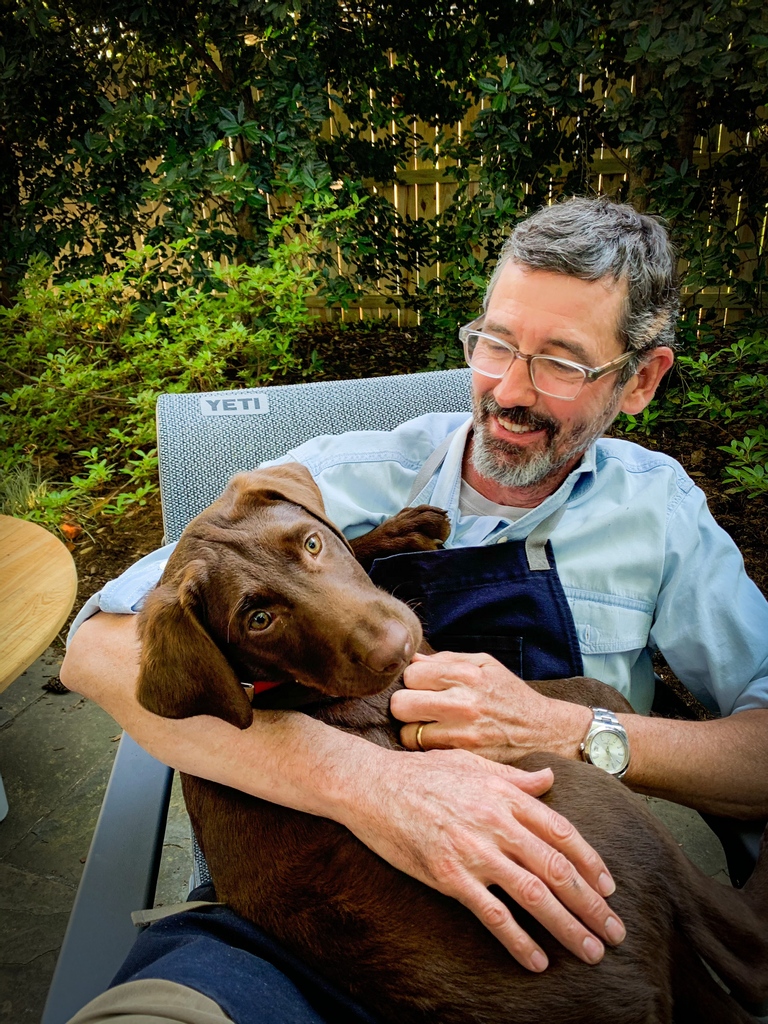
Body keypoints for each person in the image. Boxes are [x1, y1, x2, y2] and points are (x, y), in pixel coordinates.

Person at [62, 197, 768, 1024]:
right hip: (293, 931)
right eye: (496, 344)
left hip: (558, 925)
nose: (509, 389)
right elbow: (97, 651)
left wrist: (578, 733)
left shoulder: (661, 514)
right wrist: (375, 786)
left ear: (640, 379)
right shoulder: (344, 477)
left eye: (562, 363)